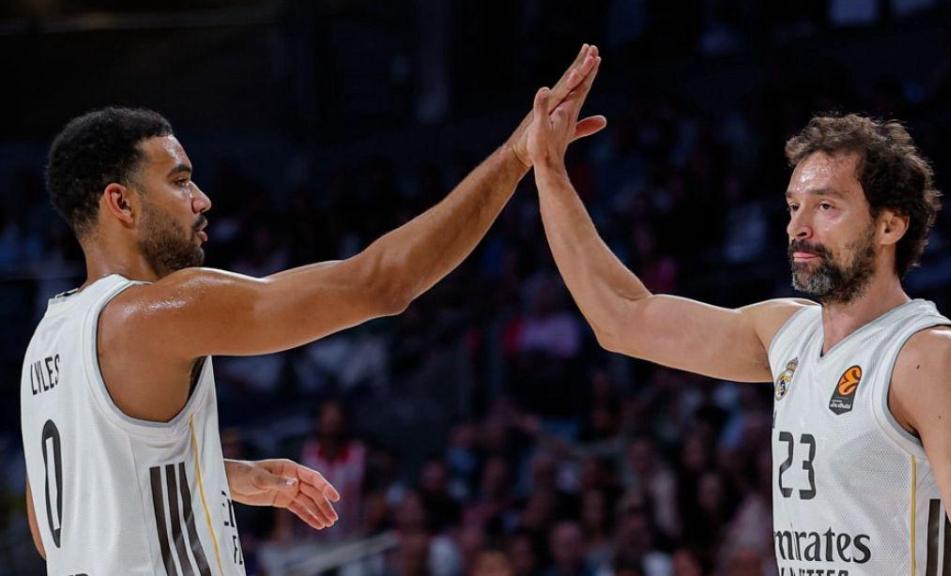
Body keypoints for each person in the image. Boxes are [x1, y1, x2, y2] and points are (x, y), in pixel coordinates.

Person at [20, 45, 606, 574]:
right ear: (121, 203)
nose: (203, 200)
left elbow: (52, 529)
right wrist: (515, 156)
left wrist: (217, 475)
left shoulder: (48, 339)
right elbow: (382, 283)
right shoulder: (157, 311)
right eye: (180, 182)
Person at [525, 61, 951, 574]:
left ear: (889, 225)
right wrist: (549, 170)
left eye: (826, 206)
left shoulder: (931, 356)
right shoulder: (786, 333)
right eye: (793, 207)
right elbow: (622, 319)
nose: (798, 227)